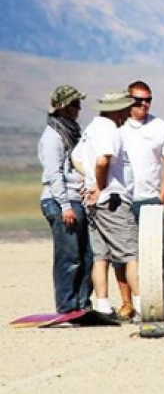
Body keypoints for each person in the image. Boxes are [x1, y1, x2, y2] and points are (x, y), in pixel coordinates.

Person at [72, 90, 140, 319]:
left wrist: (90, 179)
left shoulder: (91, 128)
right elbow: (103, 160)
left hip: (94, 203)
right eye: (126, 108)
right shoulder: (109, 129)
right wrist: (100, 186)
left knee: (101, 257)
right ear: (118, 110)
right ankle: (141, 305)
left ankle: (102, 305)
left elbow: (76, 157)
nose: (129, 112)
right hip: (111, 201)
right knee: (132, 254)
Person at [114, 80, 164, 320]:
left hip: (151, 198)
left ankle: (154, 301)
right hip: (123, 199)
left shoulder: (160, 126)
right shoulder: (118, 129)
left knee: (154, 254)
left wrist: (162, 196)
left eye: (148, 100)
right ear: (128, 101)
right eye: (138, 100)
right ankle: (127, 302)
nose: (144, 105)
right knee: (123, 253)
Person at [38, 85, 94, 313]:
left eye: (78, 104)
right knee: (69, 257)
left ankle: (82, 303)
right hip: (61, 202)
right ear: (62, 108)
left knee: (87, 255)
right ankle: (66, 306)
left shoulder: (71, 131)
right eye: (74, 105)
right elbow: (53, 174)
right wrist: (65, 206)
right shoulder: (52, 136)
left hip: (76, 200)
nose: (78, 109)